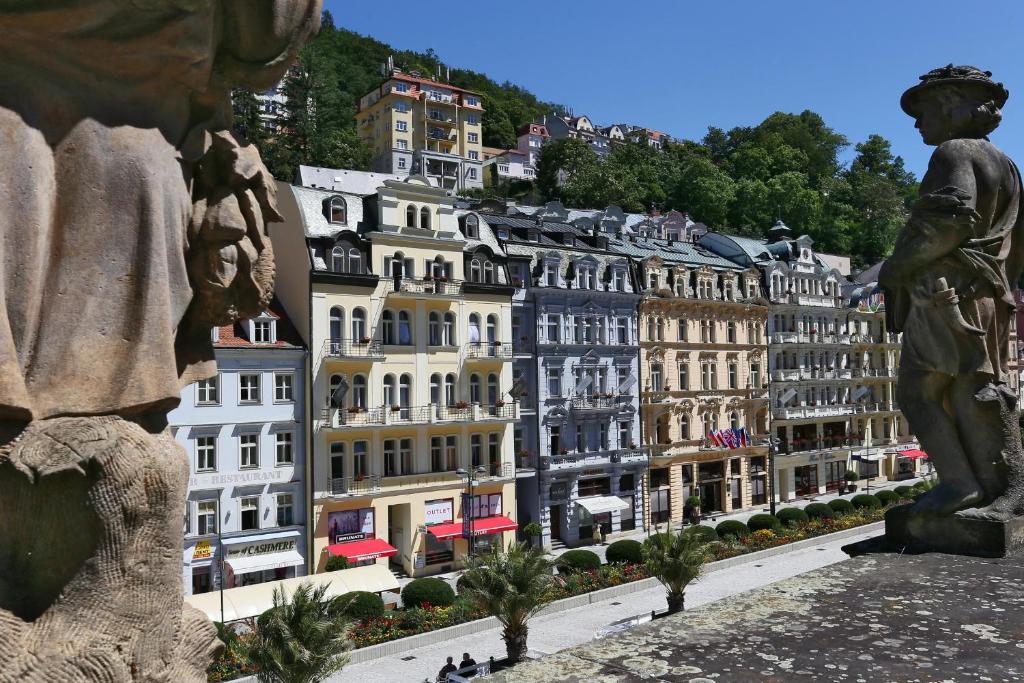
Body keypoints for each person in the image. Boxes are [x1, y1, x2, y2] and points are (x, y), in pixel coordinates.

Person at [879, 64, 1024, 519]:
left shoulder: (953, 151)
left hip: (945, 292)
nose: (917, 123)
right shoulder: (1008, 166)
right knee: (976, 388)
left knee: (918, 393)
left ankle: (962, 485)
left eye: (921, 111)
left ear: (949, 103)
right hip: (989, 292)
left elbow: (949, 220)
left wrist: (895, 267)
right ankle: (1004, 490)